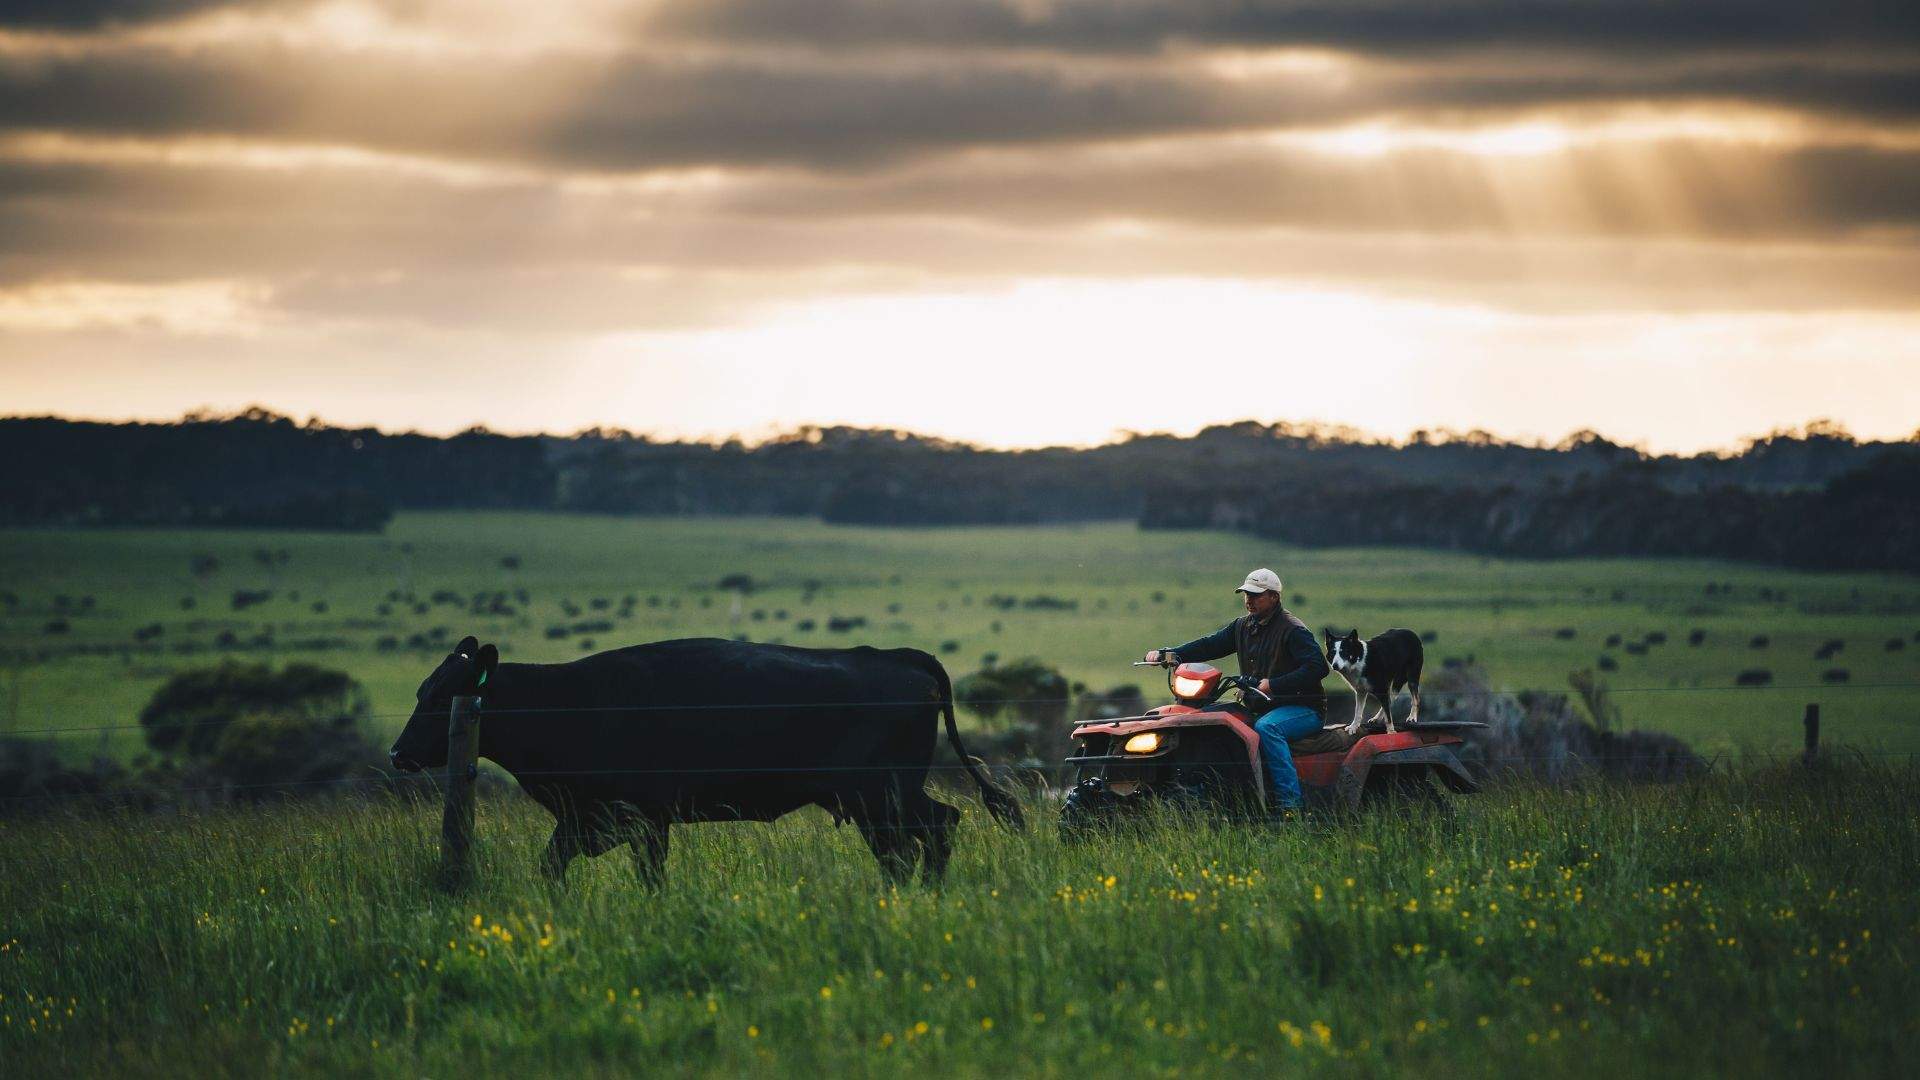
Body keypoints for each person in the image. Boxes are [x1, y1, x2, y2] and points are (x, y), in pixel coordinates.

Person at [1143, 568, 1329, 812]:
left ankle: (1290, 806)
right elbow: (1210, 645)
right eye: (1246, 594)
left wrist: (1274, 684)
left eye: (1255, 595)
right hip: (1262, 706)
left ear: (1274, 597)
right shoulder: (1243, 626)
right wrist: (1171, 653)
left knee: (1268, 728)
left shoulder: (1292, 630)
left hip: (1303, 709)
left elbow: (1318, 667)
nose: (1248, 600)